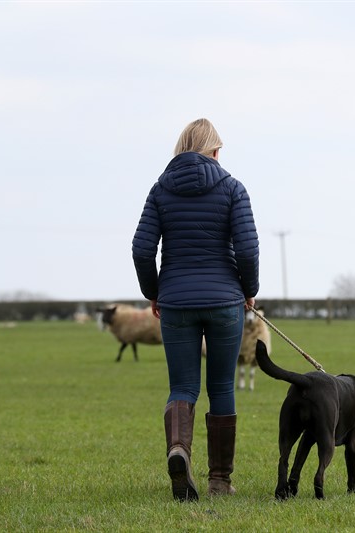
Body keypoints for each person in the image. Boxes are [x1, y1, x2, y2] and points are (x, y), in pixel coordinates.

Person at [132, 118, 260, 501]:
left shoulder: (160, 190)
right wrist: (248, 291)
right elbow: (249, 250)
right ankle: (219, 480)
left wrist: (155, 292)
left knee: (182, 386)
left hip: (176, 304)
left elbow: (141, 250)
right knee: (221, 386)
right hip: (225, 304)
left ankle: (179, 452)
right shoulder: (233, 188)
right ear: (215, 151)